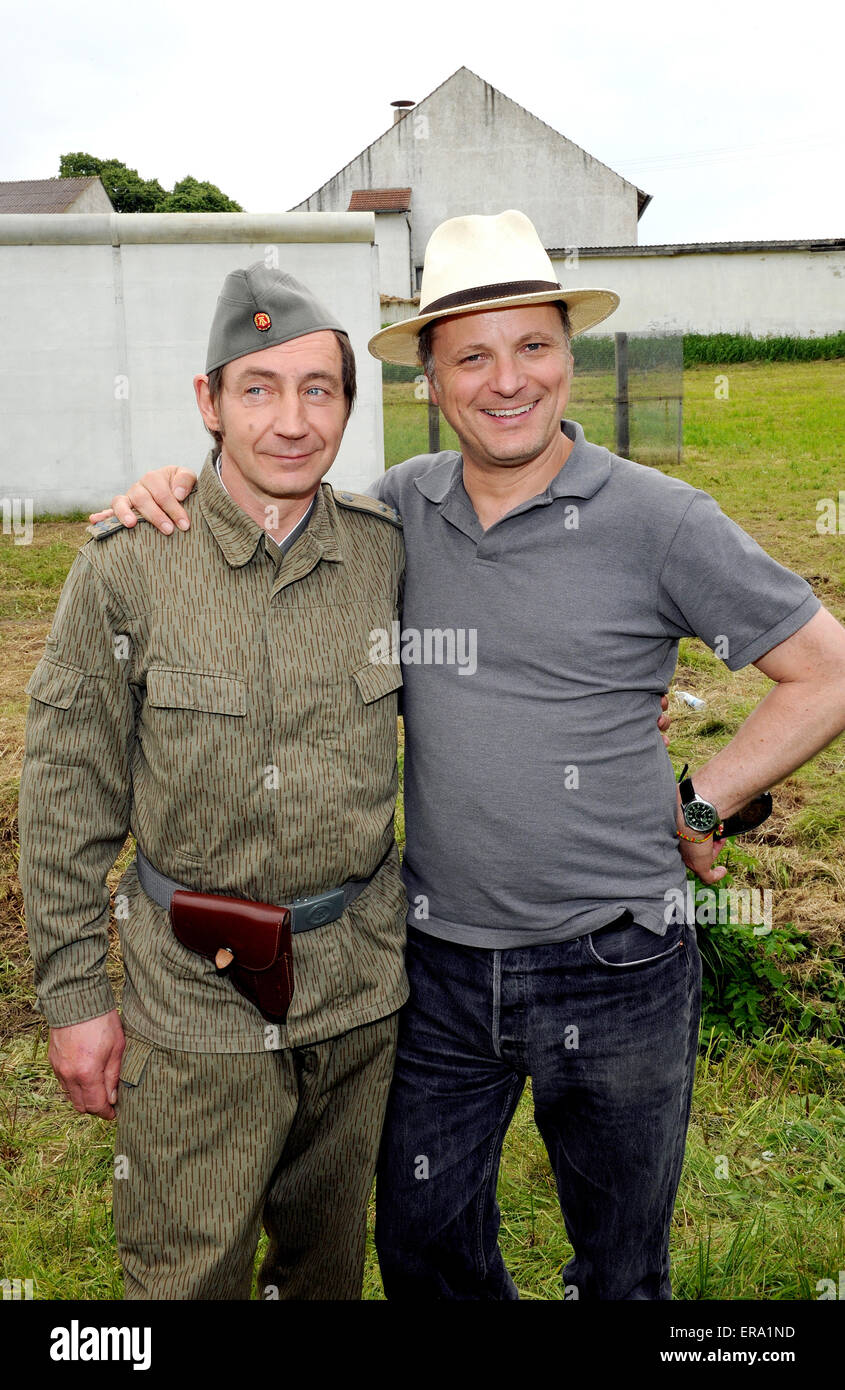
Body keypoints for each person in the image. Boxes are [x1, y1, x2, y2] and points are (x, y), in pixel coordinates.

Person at [89, 210, 845, 1301]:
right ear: (431, 381)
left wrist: (701, 798)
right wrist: (164, 491)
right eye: (472, 355)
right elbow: (264, 530)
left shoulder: (659, 520)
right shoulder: (395, 517)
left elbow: (822, 670)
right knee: (425, 1249)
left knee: (620, 1263)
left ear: (564, 357)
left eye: (531, 346)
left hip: (617, 959)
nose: (506, 381)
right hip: (433, 963)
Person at [19, 263, 410, 1301]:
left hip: (357, 996)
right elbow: (66, 793)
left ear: (346, 406)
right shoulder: (130, 562)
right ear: (207, 400)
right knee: (184, 1278)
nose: (290, 420)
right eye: (257, 387)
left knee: (326, 1269)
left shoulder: (386, 556)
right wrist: (72, 999)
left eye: (317, 389)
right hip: (194, 1005)